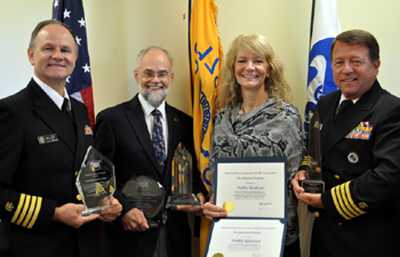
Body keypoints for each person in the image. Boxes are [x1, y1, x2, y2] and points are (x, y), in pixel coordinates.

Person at [0, 20, 122, 257]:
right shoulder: (11, 112)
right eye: (48, 48)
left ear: (75, 60)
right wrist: (53, 212)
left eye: (65, 50)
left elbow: (84, 167)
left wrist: (106, 200)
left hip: (86, 245)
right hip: (36, 246)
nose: (58, 55)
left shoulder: (78, 109)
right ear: (31, 55)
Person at [291, 29, 400, 257]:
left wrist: (327, 201)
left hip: (366, 237)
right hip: (325, 235)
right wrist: (304, 170)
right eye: (339, 62)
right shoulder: (326, 103)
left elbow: (388, 176)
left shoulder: (391, 110)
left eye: (356, 61)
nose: (346, 69)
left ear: (376, 65)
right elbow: (314, 151)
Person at [94, 46, 207, 257]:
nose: (155, 79)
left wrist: (199, 198)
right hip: (129, 240)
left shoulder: (184, 123)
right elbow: (98, 178)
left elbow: (192, 177)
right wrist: (124, 210)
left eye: (162, 73)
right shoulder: (112, 120)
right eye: (148, 73)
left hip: (175, 238)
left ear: (171, 77)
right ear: (137, 75)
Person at [202, 34, 304, 257]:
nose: (250, 67)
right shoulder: (221, 118)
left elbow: (295, 177)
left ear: (269, 69)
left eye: (258, 61)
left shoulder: (286, 116)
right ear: (233, 68)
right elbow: (213, 172)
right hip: (229, 233)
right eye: (242, 61)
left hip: (275, 237)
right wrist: (212, 202)